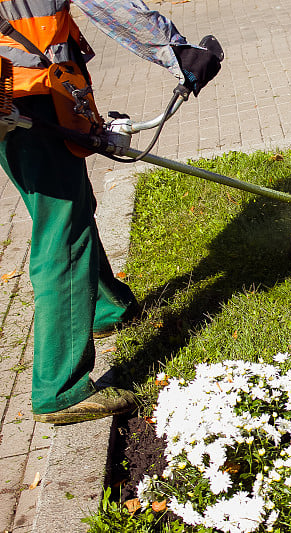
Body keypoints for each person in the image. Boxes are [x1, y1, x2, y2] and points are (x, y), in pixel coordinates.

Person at [0, 0, 221, 424]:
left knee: (71, 209)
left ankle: (109, 307)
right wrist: (179, 53)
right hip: (33, 98)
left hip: (15, 101)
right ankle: (60, 390)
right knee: (62, 237)